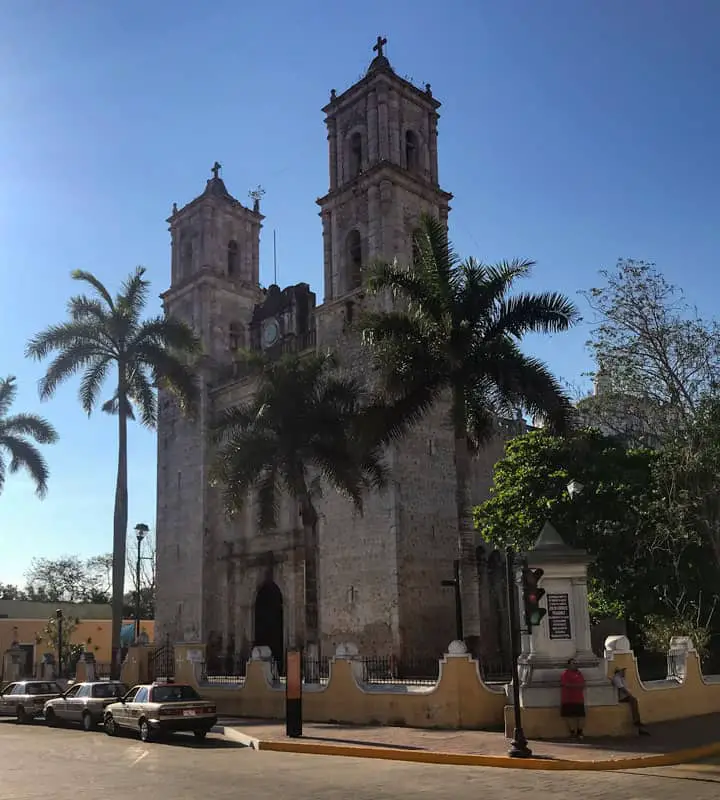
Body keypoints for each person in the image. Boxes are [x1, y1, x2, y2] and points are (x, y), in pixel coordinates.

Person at [612, 667, 649, 735]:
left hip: (626, 696)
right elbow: (622, 688)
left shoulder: (621, 678)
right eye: (623, 671)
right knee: (634, 701)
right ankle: (636, 721)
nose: (624, 673)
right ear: (619, 671)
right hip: (622, 697)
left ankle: (638, 722)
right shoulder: (616, 678)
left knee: (635, 702)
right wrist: (630, 695)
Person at [560, 658, 586, 739]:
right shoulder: (565, 674)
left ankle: (579, 731)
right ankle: (572, 732)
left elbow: (583, 683)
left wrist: (576, 685)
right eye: (573, 663)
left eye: (575, 663)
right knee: (569, 716)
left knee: (581, 716)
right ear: (568, 665)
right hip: (568, 698)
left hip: (579, 698)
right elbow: (565, 684)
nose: (575, 665)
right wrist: (577, 686)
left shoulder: (579, 673)